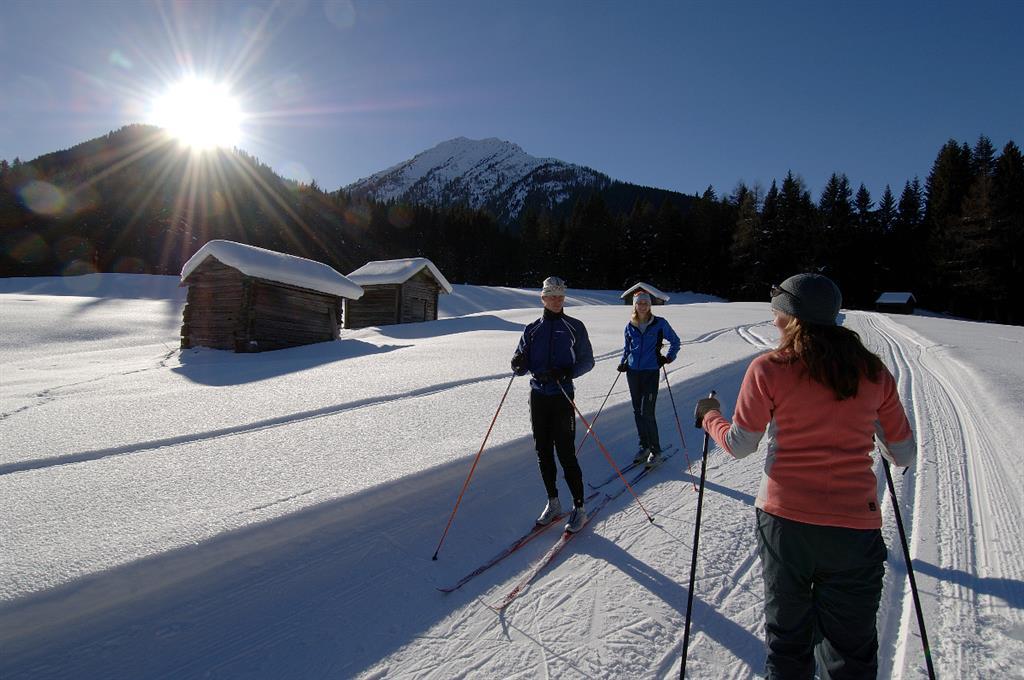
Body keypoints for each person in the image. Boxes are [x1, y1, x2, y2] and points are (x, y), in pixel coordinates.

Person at [693, 273, 916, 680]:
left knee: (788, 644)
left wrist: (710, 417)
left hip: (785, 524)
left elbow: (740, 445)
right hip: (854, 529)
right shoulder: (873, 372)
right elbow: (902, 453)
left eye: (777, 309)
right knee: (850, 650)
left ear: (790, 316)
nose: (773, 317)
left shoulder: (769, 368)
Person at [511, 276, 595, 533]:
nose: (557, 300)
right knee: (543, 451)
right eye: (551, 296)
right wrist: (517, 363)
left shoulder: (574, 326)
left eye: (560, 296)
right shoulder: (532, 329)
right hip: (538, 395)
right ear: (543, 298)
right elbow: (521, 360)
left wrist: (567, 372)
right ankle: (553, 502)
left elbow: (587, 361)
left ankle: (579, 508)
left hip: (562, 395)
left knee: (566, 453)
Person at [617, 290, 681, 468]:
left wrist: (668, 358)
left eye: (645, 303)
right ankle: (644, 447)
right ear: (635, 305)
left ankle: (656, 451)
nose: (642, 306)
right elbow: (627, 348)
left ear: (650, 305)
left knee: (648, 412)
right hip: (633, 373)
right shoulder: (630, 326)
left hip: (651, 372)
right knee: (637, 411)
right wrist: (623, 363)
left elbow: (675, 341)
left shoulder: (660, 323)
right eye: (639, 303)